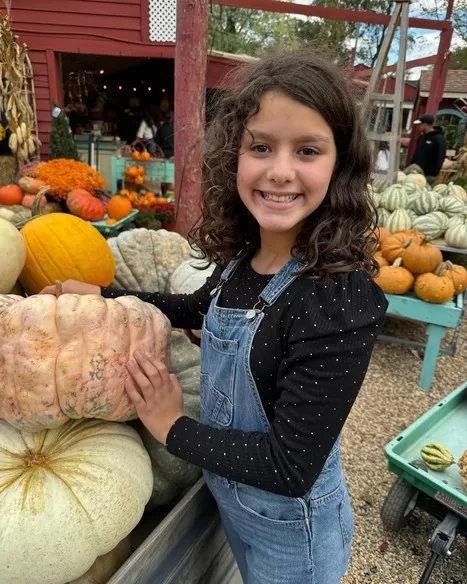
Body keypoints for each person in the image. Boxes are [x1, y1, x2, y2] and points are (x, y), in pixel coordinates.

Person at [40, 52, 388, 584]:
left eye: (308, 150)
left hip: (294, 536)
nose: (279, 171)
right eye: (261, 147)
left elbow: (290, 466)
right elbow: (199, 309)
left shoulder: (338, 301)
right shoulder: (245, 259)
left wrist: (170, 426)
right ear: (236, 156)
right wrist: (104, 294)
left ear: (340, 166)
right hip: (234, 504)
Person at [410, 113, 447, 184]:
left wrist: (434, 173)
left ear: (425, 124)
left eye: (420, 124)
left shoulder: (439, 139)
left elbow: (440, 157)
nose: (418, 126)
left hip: (429, 175)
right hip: (416, 173)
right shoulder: (421, 138)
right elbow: (416, 154)